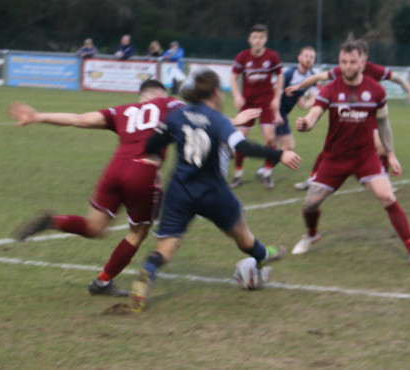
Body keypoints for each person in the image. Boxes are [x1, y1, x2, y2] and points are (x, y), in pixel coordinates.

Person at [128, 69, 301, 312]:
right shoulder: (218, 119)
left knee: (164, 249)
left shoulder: (177, 115)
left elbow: (152, 145)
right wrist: (280, 153)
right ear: (216, 93)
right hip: (212, 192)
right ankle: (262, 254)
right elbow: (243, 147)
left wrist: (157, 153)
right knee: (241, 231)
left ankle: (148, 271)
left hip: (180, 190)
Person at [9, 80, 185, 296]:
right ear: (160, 93)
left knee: (94, 227)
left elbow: (79, 120)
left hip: (115, 169)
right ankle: (102, 282)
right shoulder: (169, 104)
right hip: (143, 171)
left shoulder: (122, 111)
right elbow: (203, 118)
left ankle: (55, 221)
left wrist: (38, 116)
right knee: (137, 234)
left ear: (141, 95)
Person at [292, 41, 410, 265]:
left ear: (361, 62)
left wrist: (391, 155)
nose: (347, 66)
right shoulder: (330, 89)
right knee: (309, 205)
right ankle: (311, 235)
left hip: (365, 157)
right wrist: (306, 123)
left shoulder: (376, 90)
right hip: (335, 158)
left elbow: (384, 125)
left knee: (387, 196)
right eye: (343, 62)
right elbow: (315, 113)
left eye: (352, 62)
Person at [288, 39, 410, 190]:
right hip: (347, 115)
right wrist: (299, 86)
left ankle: (380, 179)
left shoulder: (374, 70)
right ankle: (313, 179)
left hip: (368, 117)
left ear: (364, 59)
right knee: (333, 148)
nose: (356, 62)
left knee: (382, 147)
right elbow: (319, 77)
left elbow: (398, 79)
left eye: (361, 58)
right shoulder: (344, 70)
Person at [253, 46, 318, 186]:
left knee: (279, 145)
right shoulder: (289, 74)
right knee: (285, 144)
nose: (309, 59)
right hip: (275, 110)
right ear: (299, 57)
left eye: (312, 57)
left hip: (283, 113)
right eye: (306, 56)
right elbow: (274, 93)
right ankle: (265, 171)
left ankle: (264, 169)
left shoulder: (312, 77)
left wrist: (306, 104)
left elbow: (310, 99)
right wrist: (276, 114)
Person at [230, 24, 284, 189]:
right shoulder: (242, 57)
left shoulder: (272, 56)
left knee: (269, 138)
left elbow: (280, 76)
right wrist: (237, 96)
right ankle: (238, 173)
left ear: (265, 39)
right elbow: (233, 77)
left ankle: (267, 173)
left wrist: (276, 99)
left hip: (266, 103)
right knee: (241, 139)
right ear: (249, 39)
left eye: (261, 37)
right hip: (248, 103)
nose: (257, 40)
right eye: (254, 37)